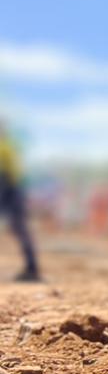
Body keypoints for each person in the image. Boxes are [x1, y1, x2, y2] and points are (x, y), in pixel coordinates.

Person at [0, 118, 40, 283]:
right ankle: (32, 269)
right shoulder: (9, 147)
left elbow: (14, 174)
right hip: (13, 189)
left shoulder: (6, 148)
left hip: (8, 187)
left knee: (20, 228)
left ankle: (32, 269)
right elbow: (18, 174)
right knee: (21, 228)